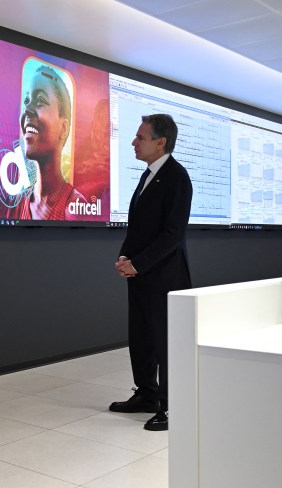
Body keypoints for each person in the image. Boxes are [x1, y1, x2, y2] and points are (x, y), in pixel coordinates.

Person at [110, 114, 192, 431]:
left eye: (140, 137)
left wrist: (138, 263)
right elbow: (140, 228)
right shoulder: (148, 175)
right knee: (141, 337)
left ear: (161, 142)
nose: (134, 142)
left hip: (165, 278)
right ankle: (147, 394)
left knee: (165, 342)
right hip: (142, 275)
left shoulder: (177, 177)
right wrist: (125, 257)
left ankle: (173, 407)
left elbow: (173, 235)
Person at [14, 64, 86, 220]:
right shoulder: (17, 205)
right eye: (26, 101)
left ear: (63, 128)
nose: (27, 109)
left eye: (40, 100)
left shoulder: (75, 207)